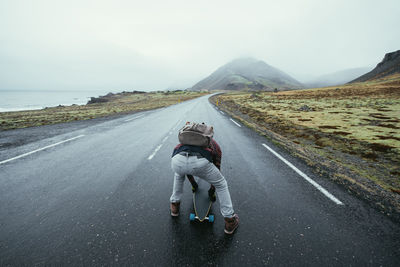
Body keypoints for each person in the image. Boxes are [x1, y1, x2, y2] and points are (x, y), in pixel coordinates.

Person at [169, 129, 239, 234]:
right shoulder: (214, 145)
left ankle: (174, 206)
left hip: (177, 159)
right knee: (221, 184)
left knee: (179, 175)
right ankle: (229, 220)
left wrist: (194, 185)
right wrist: (211, 191)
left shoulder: (184, 141)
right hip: (200, 162)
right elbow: (217, 167)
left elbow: (187, 170)